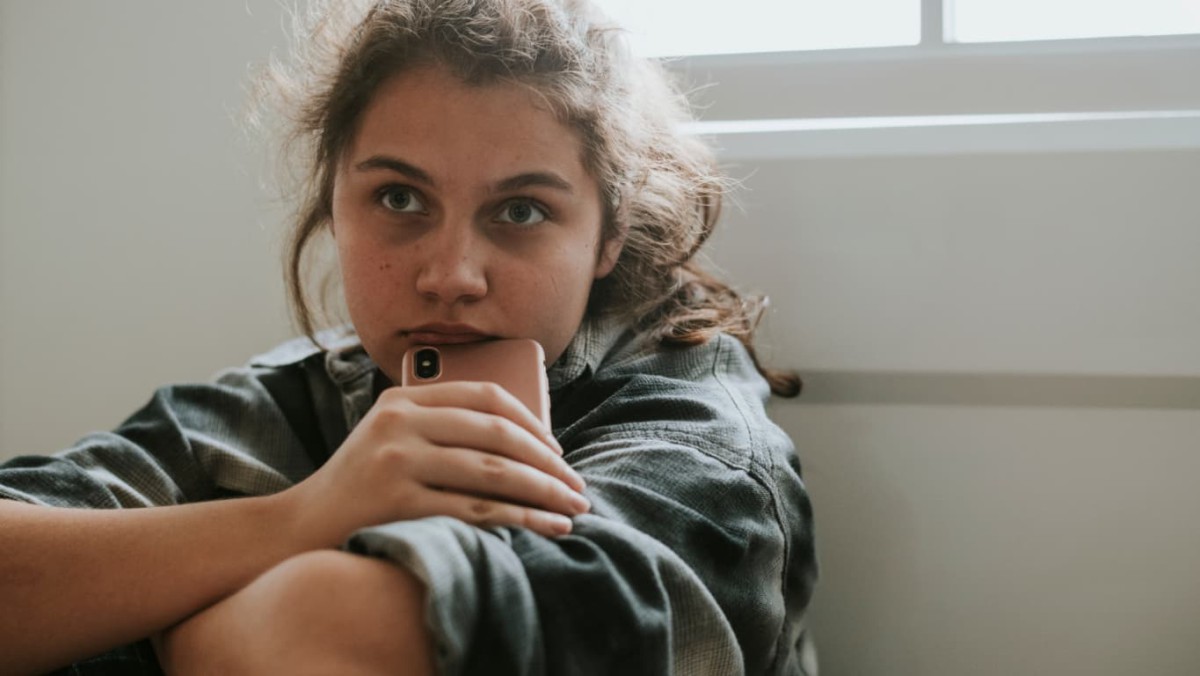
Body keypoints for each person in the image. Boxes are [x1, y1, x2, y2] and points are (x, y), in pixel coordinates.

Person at [0, 0, 818, 673]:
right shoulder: (286, 402)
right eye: (399, 199)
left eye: (522, 211)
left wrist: (149, 613)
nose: (451, 275)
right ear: (334, 204)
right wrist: (302, 516)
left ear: (609, 237)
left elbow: (304, 640)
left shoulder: (697, 445)